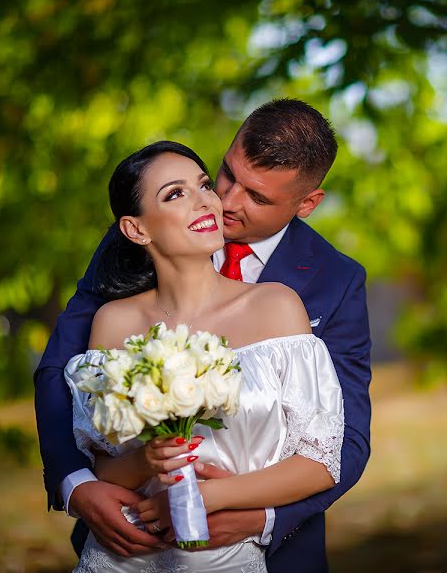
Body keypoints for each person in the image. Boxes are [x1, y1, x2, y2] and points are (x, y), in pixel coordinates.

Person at [34, 99, 372, 572]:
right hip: (130, 543)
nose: (226, 202)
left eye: (257, 197)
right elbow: (61, 371)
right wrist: (78, 484)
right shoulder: (130, 251)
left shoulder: (332, 282)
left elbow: (345, 440)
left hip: (263, 552)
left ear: (307, 204)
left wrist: (255, 517)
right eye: (226, 175)